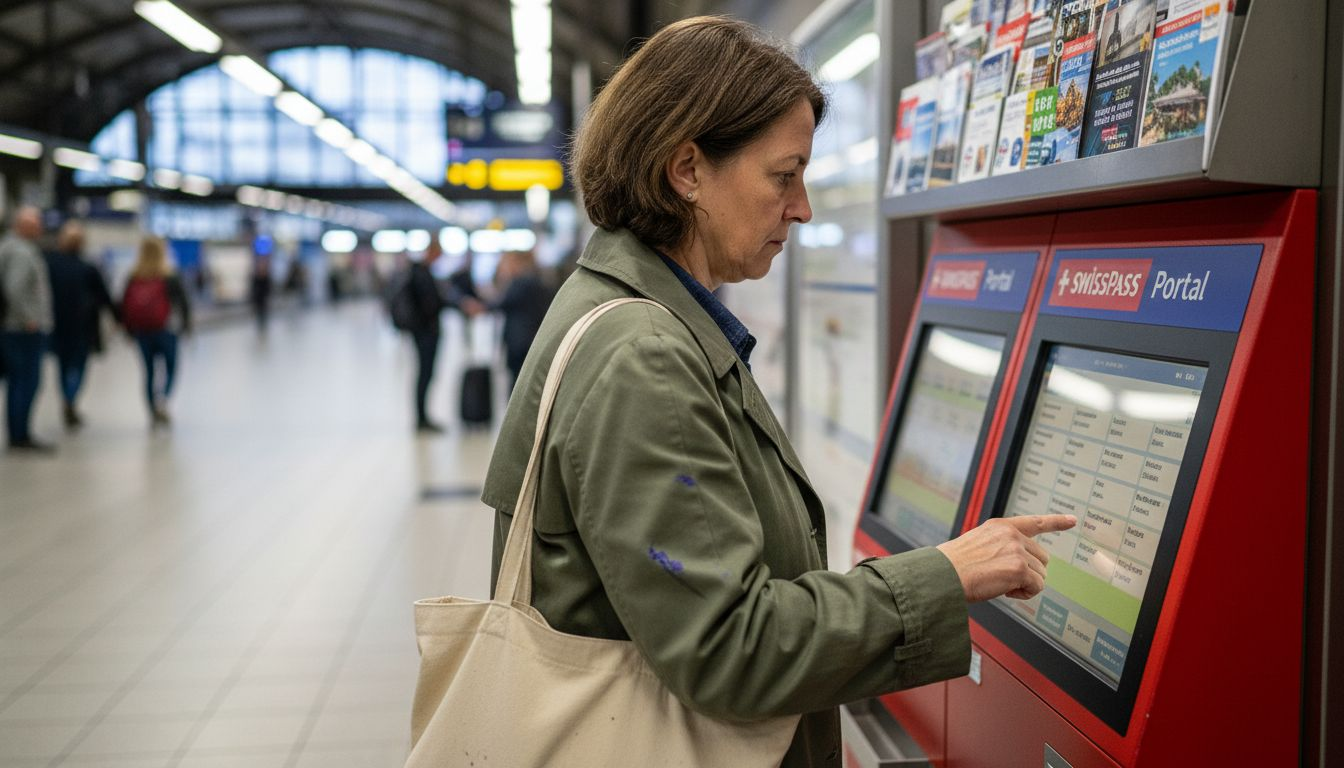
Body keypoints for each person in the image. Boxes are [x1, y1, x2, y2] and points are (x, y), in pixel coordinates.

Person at [481, 17, 1075, 767]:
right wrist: (946, 576)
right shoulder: (644, 357)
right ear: (687, 170)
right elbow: (731, 648)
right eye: (783, 175)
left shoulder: (628, 313)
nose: (802, 207)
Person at [44, 220, 116, 428]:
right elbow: (104, 297)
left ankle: (66, 397)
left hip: (57, 325)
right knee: (79, 366)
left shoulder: (50, 265)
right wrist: (119, 318)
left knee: (63, 366)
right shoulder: (88, 268)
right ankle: (70, 398)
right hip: (82, 327)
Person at [0, 205, 55, 452]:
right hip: (22, 330)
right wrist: (29, 318)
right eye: (36, 224)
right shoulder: (21, 253)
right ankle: (20, 435)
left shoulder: (8, 248)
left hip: (13, 327)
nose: (41, 228)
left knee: (17, 382)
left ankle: (18, 432)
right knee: (25, 382)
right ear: (23, 226)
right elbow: (15, 288)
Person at [121, 237, 192, 427]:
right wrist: (186, 327)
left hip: (142, 331)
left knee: (149, 372)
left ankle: (152, 409)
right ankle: (163, 399)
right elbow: (183, 304)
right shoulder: (169, 276)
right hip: (166, 330)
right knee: (170, 367)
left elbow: (124, 305)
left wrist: (128, 331)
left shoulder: (134, 276)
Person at [486, 250, 552, 393]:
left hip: (520, 339)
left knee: (517, 381)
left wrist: (479, 307)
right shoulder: (535, 279)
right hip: (528, 336)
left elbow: (503, 303)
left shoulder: (522, 282)